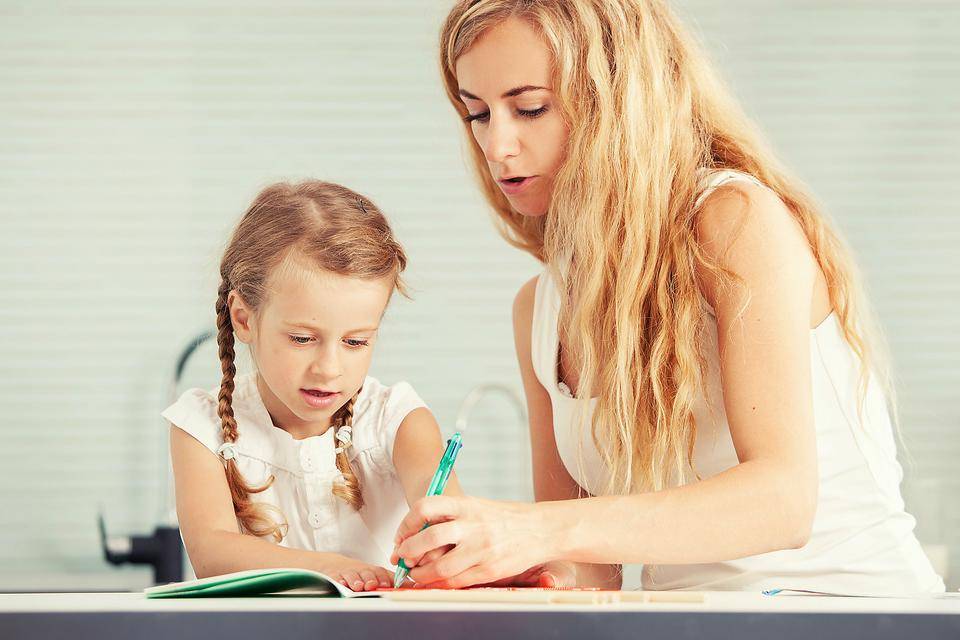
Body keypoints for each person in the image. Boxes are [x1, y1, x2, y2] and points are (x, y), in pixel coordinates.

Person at [391, 0, 944, 596]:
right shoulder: (540, 307)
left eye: (530, 108)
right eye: (477, 114)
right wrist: (507, 564)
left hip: (846, 611)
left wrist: (535, 529)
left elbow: (784, 502)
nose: (497, 145)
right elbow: (588, 569)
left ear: (616, 100)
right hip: (694, 618)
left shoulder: (734, 221)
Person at [166, 180, 461, 591]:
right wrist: (326, 567)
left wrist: (448, 543)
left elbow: (451, 522)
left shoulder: (399, 420)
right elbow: (212, 552)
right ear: (244, 319)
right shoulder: (201, 426)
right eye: (303, 339)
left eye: (355, 342)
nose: (329, 369)